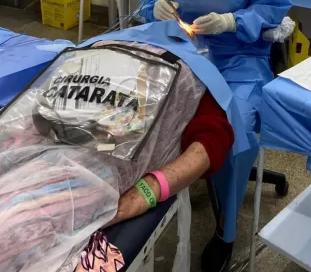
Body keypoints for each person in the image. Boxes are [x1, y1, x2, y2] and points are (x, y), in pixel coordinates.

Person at [138, 0, 291, 271]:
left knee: (235, 128)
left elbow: (273, 7)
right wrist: (157, 9)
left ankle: (226, 231)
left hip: (238, 59)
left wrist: (234, 21)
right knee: (142, 115)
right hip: (182, 52)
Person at [0, 22, 236, 272]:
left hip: (95, 167)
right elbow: (43, 98)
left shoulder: (194, 73)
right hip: (39, 138)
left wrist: (149, 190)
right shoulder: (103, 46)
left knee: (17, 228)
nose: (180, 29)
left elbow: (210, 144)